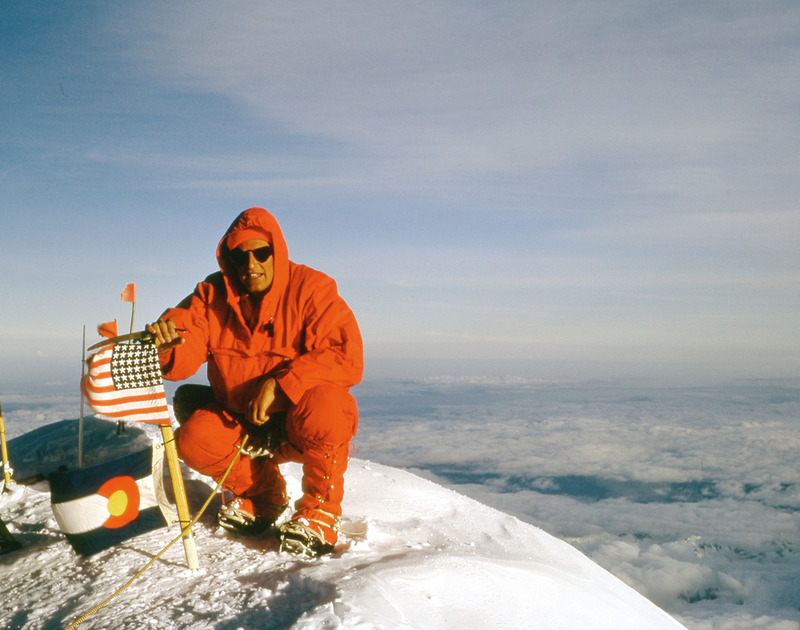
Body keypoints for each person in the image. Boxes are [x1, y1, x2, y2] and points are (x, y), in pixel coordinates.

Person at [146, 207, 363, 557]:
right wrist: (167, 344)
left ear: (277, 250)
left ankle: (320, 512)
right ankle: (264, 495)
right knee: (193, 440)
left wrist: (282, 385)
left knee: (328, 406)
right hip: (243, 424)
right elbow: (184, 350)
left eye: (261, 253)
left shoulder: (312, 290)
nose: (251, 264)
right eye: (240, 256)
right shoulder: (212, 295)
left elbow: (345, 357)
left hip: (295, 424)